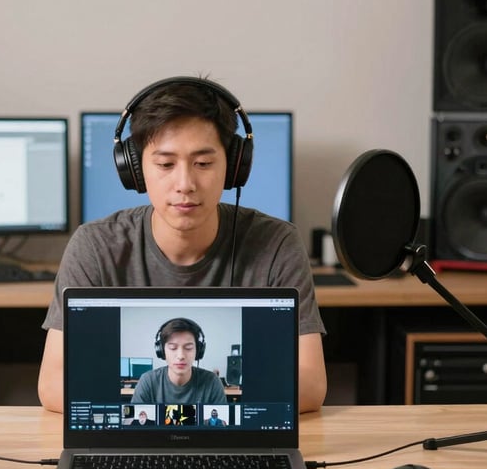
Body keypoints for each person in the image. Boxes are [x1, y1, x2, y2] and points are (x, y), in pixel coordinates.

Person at [38, 76, 327, 413]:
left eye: (203, 164)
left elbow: (310, 384)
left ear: (234, 167)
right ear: (135, 169)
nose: (185, 184)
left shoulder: (277, 244)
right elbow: (53, 384)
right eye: (164, 164)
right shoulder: (95, 246)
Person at [131, 318, 226, 405]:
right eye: (173, 348)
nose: (181, 356)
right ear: (162, 351)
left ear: (198, 351)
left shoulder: (212, 382)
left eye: (188, 348)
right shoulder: (148, 382)